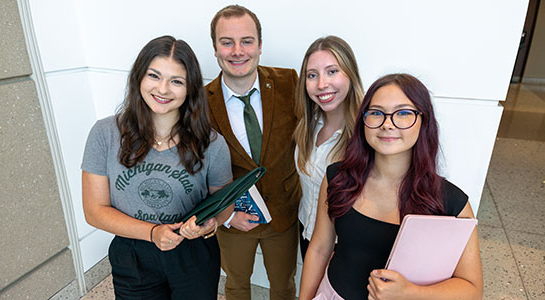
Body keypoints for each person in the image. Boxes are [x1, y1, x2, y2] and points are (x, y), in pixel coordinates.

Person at [299, 73, 483, 300]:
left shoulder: (451, 202)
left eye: (404, 113)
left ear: (424, 121)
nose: (387, 124)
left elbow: (472, 289)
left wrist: (411, 293)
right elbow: (319, 248)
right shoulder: (338, 177)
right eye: (376, 113)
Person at [81, 35, 233, 299]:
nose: (163, 90)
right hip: (132, 255)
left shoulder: (212, 144)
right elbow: (94, 211)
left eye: (176, 81)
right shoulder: (105, 134)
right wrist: (152, 233)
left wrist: (210, 224)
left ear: (190, 89)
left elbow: (225, 202)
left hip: (193, 254)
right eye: (154, 76)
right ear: (139, 77)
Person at [205, 5, 301, 300]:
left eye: (246, 41)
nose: (237, 51)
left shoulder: (290, 82)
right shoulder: (199, 103)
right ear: (215, 48)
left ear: (260, 46)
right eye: (227, 42)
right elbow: (195, 169)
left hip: (284, 213)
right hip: (232, 220)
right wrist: (228, 214)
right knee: (235, 285)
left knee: (284, 286)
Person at [293, 36, 364, 260]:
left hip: (344, 247)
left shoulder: (368, 134)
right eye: (312, 75)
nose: (322, 84)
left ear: (350, 74)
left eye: (332, 71)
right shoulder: (308, 125)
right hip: (306, 232)